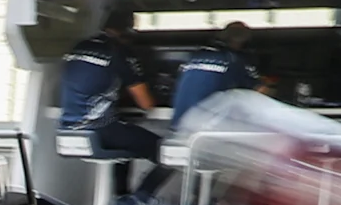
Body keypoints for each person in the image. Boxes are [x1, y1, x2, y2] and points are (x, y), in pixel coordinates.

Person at [58, 13, 161, 174]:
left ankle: (122, 197)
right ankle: (140, 196)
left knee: (126, 137)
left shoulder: (80, 46)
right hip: (97, 128)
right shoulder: (118, 52)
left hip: (68, 127)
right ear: (127, 32)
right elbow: (146, 104)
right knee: (164, 150)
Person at [166, 21, 259, 123]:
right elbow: (259, 91)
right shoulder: (234, 60)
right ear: (242, 41)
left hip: (179, 125)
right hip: (207, 129)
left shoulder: (193, 57)